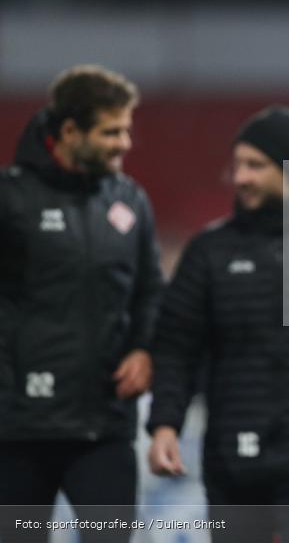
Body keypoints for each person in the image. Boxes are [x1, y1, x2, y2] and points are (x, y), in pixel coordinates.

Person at [147, 106, 289, 543]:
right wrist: (166, 424)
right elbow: (175, 346)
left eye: (255, 165)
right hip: (233, 462)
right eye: (238, 165)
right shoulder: (209, 251)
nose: (240, 177)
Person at [0, 65, 163, 542]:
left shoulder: (131, 202)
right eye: (112, 131)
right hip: (16, 430)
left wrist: (144, 349)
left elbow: (151, 291)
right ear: (70, 131)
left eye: (126, 129)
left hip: (104, 428)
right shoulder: (10, 201)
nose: (125, 143)